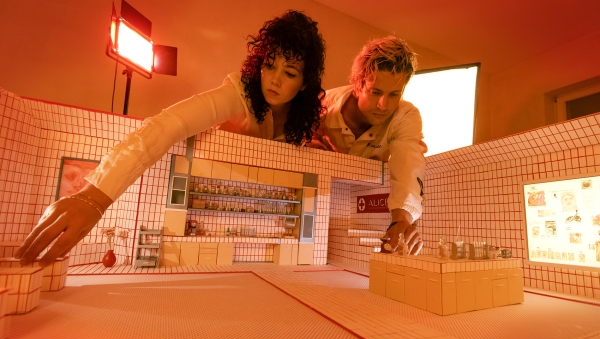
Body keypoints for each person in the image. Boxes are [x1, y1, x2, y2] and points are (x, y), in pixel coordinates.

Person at [16, 10, 326, 266]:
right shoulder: (241, 93)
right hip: (204, 195)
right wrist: (93, 197)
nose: (274, 79)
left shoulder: (302, 122)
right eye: (269, 65)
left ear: (304, 83)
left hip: (262, 213)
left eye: (289, 72)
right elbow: (169, 124)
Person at [308, 36, 425, 254]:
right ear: (357, 86)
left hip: (359, 204)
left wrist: (402, 218)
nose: (383, 105)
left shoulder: (406, 116)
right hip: (318, 202)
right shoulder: (320, 107)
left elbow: (408, 161)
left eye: (394, 94)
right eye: (376, 92)